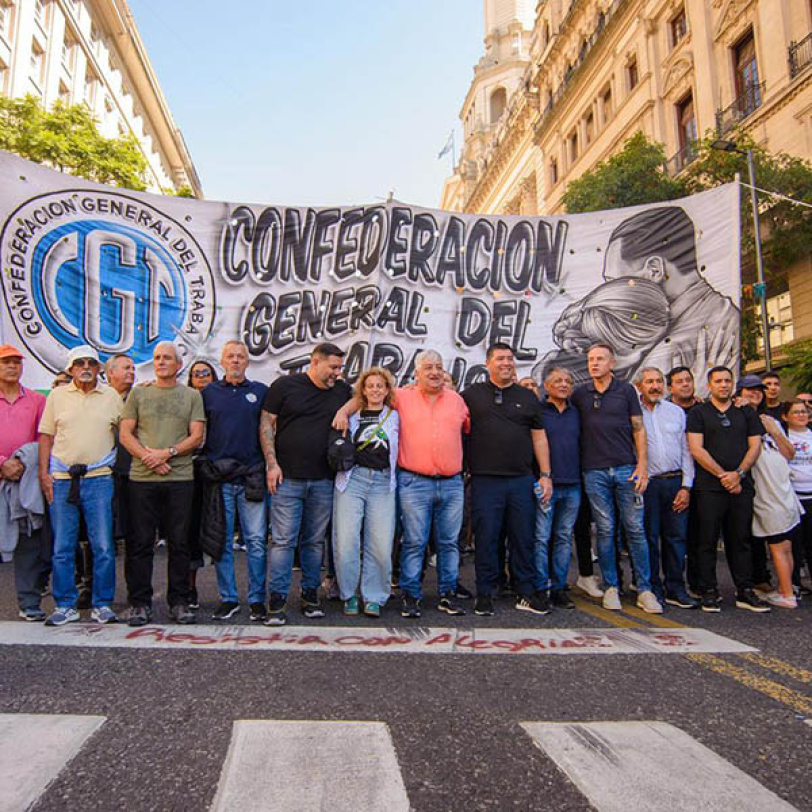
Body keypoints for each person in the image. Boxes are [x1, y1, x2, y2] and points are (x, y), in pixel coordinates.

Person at [336, 349, 471, 618]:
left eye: (438, 367)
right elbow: (365, 397)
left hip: (450, 483)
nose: (434, 372)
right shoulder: (403, 397)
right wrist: (342, 410)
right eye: (428, 367)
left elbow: (468, 431)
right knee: (412, 542)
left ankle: (446, 594)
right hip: (412, 482)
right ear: (417, 373)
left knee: (446, 543)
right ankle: (408, 595)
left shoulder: (457, 400)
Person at [261, 343, 352, 625]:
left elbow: (365, 396)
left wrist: (344, 410)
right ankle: (277, 600)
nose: (337, 373)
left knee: (314, 542)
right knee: (283, 542)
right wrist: (272, 464)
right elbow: (267, 424)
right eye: (332, 367)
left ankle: (310, 594)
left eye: (340, 368)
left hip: (324, 479)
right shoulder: (285, 386)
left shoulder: (341, 391)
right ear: (315, 362)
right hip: (287, 478)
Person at [570, 343, 662, 613]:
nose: (594, 363)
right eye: (591, 359)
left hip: (626, 469)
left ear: (612, 363)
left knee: (635, 530)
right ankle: (611, 586)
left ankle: (644, 589)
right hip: (594, 471)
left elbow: (638, 429)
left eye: (600, 359)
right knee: (605, 529)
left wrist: (642, 465)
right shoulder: (580, 394)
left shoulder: (626, 391)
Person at [119, 341, 206, 626]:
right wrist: (149, 458)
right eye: (157, 358)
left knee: (179, 543)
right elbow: (125, 434)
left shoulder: (191, 396)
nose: (161, 362)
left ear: (179, 365)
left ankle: (179, 602)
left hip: (180, 479)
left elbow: (196, 436)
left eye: (167, 358)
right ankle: (139, 603)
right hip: (142, 479)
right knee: (140, 543)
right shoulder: (138, 394)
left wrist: (166, 453)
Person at [463, 343, 553, 616]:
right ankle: (485, 594)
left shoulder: (527, 397)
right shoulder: (471, 395)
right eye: (500, 358)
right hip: (485, 480)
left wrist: (545, 475)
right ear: (488, 363)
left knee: (523, 538)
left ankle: (525, 592)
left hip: (521, 480)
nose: (506, 363)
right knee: (487, 538)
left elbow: (539, 437)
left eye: (510, 359)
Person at [38, 345, 122, 626]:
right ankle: (65, 605)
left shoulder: (111, 396)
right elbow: (46, 437)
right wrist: (43, 474)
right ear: (70, 369)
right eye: (79, 363)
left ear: (99, 368)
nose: (86, 367)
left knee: (103, 546)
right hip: (63, 480)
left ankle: (102, 604)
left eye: (91, 363)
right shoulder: (57, 396)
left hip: (100, 478)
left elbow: (124, 432)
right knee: (63, 546)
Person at [686, 366, 770, 613]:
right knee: (706, 540)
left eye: (727, 381)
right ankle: (708, 591)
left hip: (740, 486)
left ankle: (745, 590)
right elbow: (696, 449)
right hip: (709, 487)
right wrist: (723, 475)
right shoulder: (698, 413)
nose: (723, 385)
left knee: (740, 540)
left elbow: (755, 446)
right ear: (709, 385)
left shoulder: (746, 412)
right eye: (718, 381)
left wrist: (738, 474)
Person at [200, 341, 268, 621]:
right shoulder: (208, 393)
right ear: (222, 361)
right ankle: (228, 598)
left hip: (252, 476)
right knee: (223, 542)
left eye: (241, 356)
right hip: (220, 479)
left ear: (248, 362)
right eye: (231, 356)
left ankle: (257, 599)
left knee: (256, 541)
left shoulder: (261, 392)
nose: (236, 360)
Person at [332, 367, 400, 618]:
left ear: (387, 389)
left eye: (380, 386)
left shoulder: (396, 416)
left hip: (382, 482)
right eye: (370, 385)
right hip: (353, 480)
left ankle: (374, 596)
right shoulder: (352, 415)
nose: (375, 390)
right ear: (362, 389)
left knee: (380, 542)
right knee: (346, 540)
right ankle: (349, 594)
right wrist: (342, 411)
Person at [635, 366, 697, 609]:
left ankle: (676, 587)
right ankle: (651, 587)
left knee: (676, 538)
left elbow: (686, 451)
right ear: (639, 386)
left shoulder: (676, 412)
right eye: (649, 382)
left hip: (675, 482)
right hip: (647, 484)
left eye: (659, 381)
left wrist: (686, 486)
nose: (655, 386)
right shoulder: (632, 412)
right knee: (648, 537)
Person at [737, 386, 799, 609]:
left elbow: (790, 453)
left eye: (758, 390)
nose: (755, 394)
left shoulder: (770, 421)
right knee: (780, 544)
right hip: (765, 492)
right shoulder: (739, 417)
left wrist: (775, 431)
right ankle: (785, 589)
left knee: (782, 545)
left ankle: (787, 593)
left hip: (781, 492)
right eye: (749, 390)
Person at [0, 345, 48, 621]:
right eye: (6, 361)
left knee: (28, 542)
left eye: (16, 362)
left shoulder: (37, 400)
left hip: (23, 481)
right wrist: (2, 463)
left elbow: (43, 439)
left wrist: (21, 462)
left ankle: (29, 603)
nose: (12, 366)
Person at [535, 367, 580, 609]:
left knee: (563, 537)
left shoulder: (577, 412)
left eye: (567, 381)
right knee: (541, 538)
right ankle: (541, 586)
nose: (563, 385)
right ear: (547, 386)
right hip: (546, 484)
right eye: (558, 381)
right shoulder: (538, 411)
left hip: (573, 484)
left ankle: (559, 587)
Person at [784, 399, 812, 595]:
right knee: (794, 544)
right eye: (796, 412)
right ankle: (793, 584)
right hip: (792, 496)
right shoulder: (782, 436)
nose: (801, 415)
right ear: (785, 416)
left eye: (804, 412)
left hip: (811, 495)